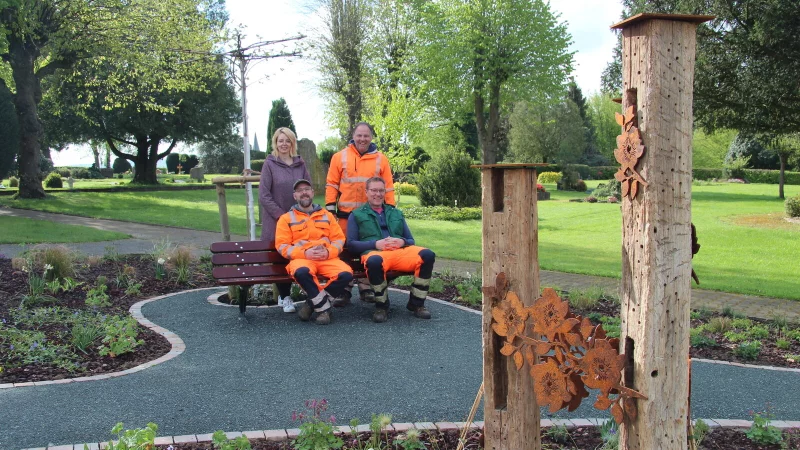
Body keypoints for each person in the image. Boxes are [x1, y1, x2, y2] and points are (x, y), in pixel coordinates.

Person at [347, 177, 436, 323]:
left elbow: (410, 240)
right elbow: (351, 245)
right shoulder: (356, 215)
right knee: (374, 261)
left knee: (427, 255)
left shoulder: (396, 213)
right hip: (375, 253)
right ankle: (382, 306)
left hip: (400, 252)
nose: (378, 194)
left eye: (381, 190)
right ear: (367, 192)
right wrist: (376, 244)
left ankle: (417, 304)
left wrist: (401, 241)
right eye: (374, 190)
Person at [325, 122, 395, 305]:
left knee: (369, 249)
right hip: (345, 215)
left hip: (369, 215)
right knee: (344, 250)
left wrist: (390, 211)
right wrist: (330, 208)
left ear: (371, 137)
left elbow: (387, 187)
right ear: (353, 136)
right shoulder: (339, 157)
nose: (362, 139)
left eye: (366, 136)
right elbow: (332, 183)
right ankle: (344, 289)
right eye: (359, 135)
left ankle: (366, 287)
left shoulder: (381, 159)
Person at [275, 179, 354, 325]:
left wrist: (328, 252)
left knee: (346, 274)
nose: (303, 192)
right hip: (302, 259)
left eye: (306, 189)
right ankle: (323, 310)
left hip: (327, 258)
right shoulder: (285, 219)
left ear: (312, 192)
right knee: (302, 272)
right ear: (295, 196)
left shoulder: (327, 216)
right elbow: (282, 246)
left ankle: (311, 305)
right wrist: (304, 254)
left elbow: (339, 239)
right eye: (299, 191)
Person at [258, 127, 310, 313]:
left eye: (287, 140)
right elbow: (264, 195)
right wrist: (282, 216)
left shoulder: (300, 164)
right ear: (275, 143)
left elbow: (306, 190)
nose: (284, 144)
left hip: (298, 219)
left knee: (298, 255)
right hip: (276, 219)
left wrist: (303, 212)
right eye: (280, 140)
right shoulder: (270, 164)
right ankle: (284, 296)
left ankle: (305, 292)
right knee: (280, 258)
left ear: (292, 143)